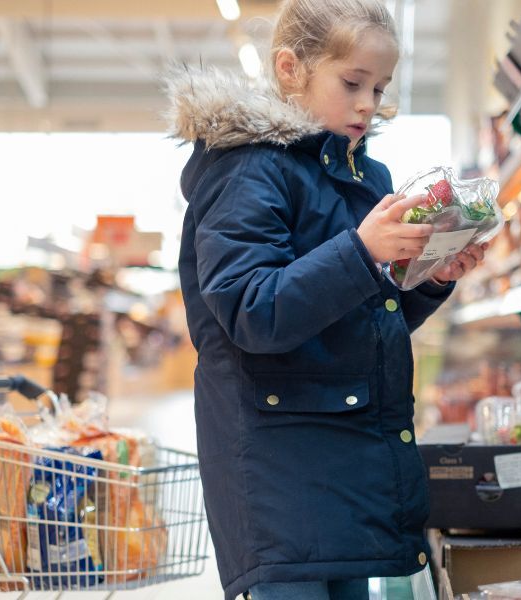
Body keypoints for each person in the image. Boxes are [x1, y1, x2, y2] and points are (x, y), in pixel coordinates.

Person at [167, 0, 487, 598]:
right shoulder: (246, 170)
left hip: (346, 457)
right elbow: (250, 309)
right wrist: (363, 251)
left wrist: (431, 277)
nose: (369, 102)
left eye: (381, 86)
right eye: (352, 82)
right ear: (291, 69)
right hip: (276, 464)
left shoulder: (368, 180)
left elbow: (367, 319)